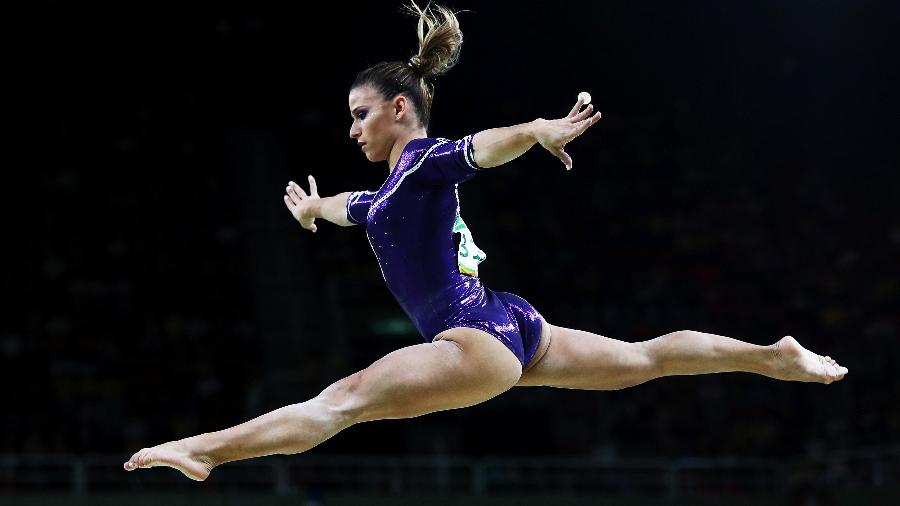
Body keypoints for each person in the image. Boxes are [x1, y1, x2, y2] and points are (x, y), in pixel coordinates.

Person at [124, 2, 848, 481]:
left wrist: (533, 132)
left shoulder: (423, 158)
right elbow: (361, 207)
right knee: (644, 359)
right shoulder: (395, 189)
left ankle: (204, 450)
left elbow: (480, 147)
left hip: (471, 336)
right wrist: (317, 209)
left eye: (359, 115)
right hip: (509, 319)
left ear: (398, 109)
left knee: (340, 402)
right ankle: (770, 356)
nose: (352, 130)